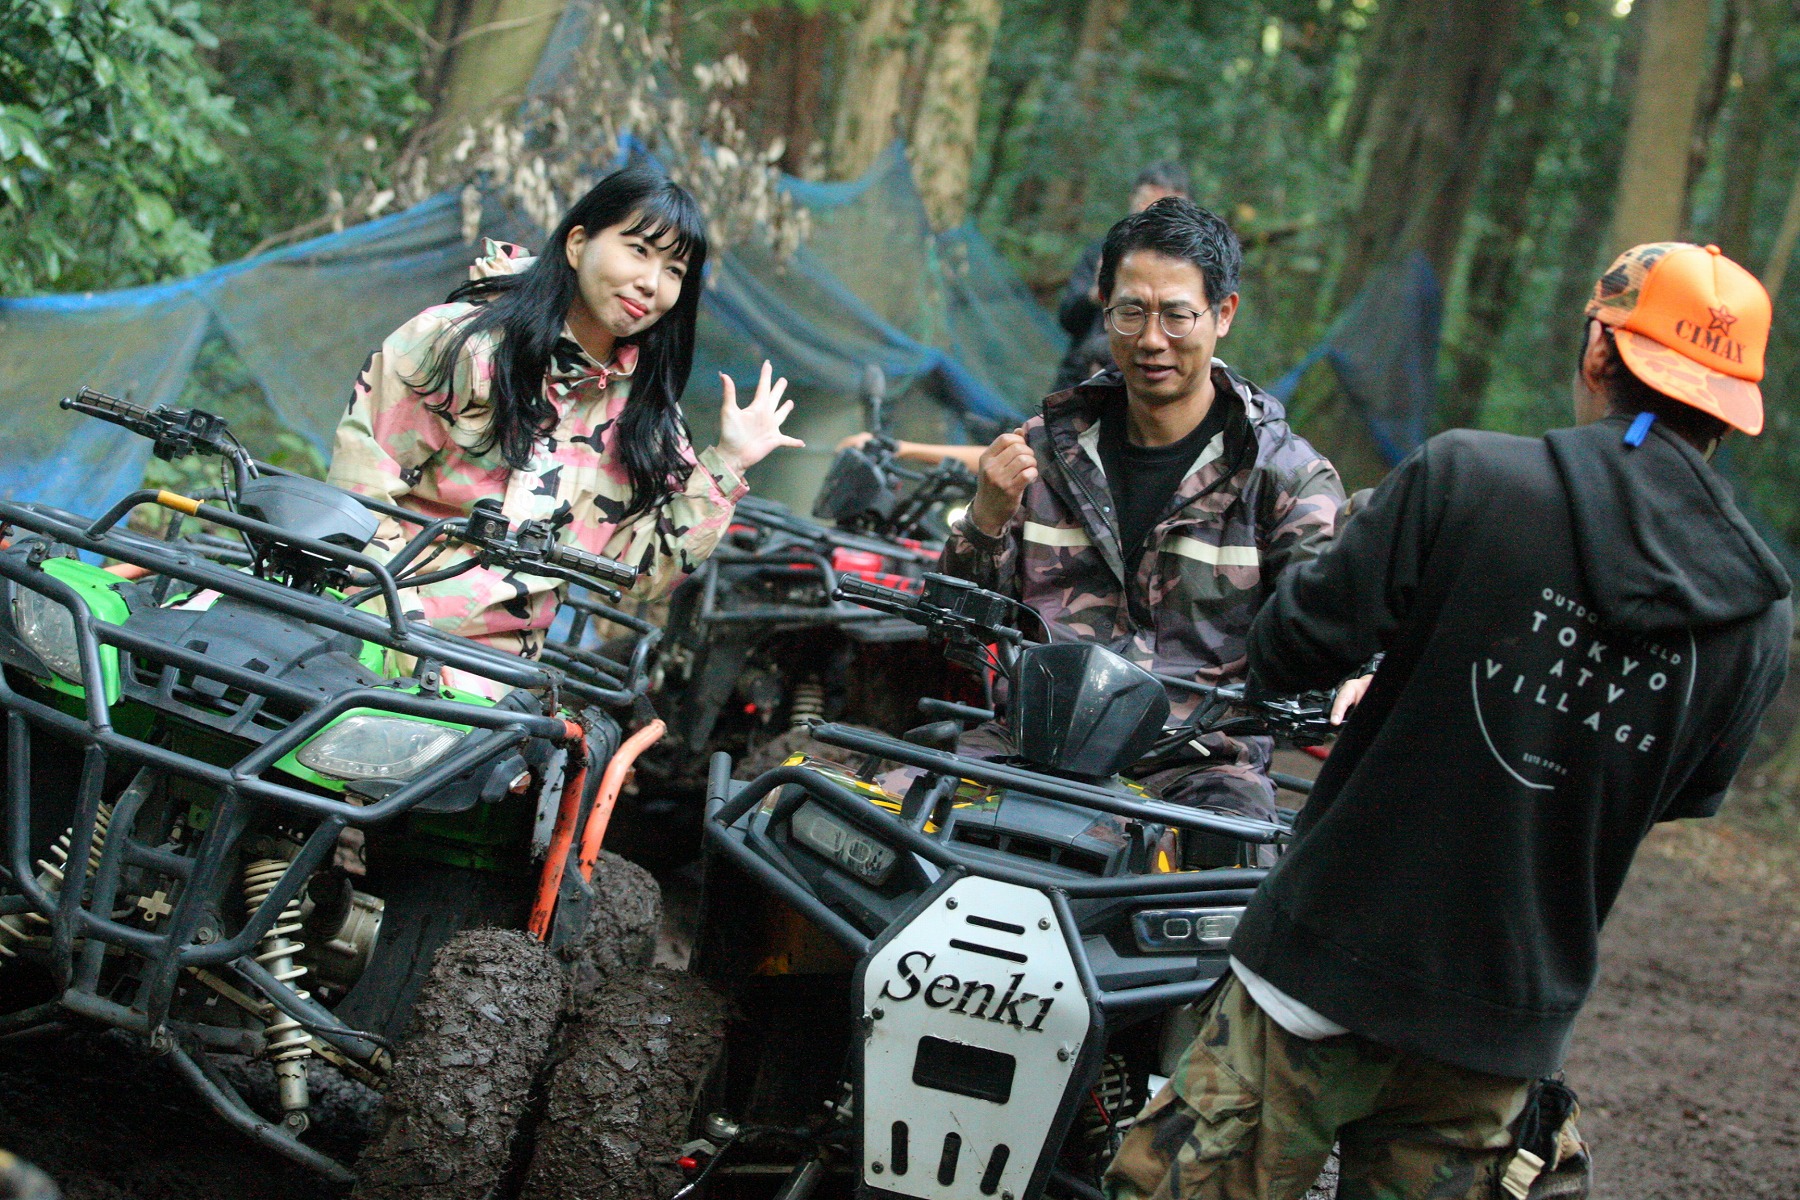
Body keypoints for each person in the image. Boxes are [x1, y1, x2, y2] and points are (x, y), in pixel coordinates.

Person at [1107, 242, 1792, 1200]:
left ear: (1601, 349)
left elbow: (1292, 649)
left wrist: (1373, 557)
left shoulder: (1468, 480)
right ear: (1735, 401)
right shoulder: (1757, 615)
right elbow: (1674, 792)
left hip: (1321, 972)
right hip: (1500, 1025)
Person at [943, 198, 1346, 834]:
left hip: (1199, 772)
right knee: (868, 830)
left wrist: (1356, 670)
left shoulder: (1285, 479)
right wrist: (984, 519)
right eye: (1131, 312)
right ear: (1105, 309)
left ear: (1224, 314)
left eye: (1177, 315)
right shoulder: (1042, 452)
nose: (1152, 340)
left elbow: (1332, 622)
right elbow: (955, 629)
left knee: (1228, 875)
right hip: (1026, 746)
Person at [329, 162, 802, 697]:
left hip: (495, 684)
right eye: (639, 250)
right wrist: (404, 635)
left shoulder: (646, 416)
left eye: (675, 270)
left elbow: (638, 574)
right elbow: (361, 494)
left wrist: (728, 465)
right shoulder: (464, 346)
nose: (651, 283)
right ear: (578, 244)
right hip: (370, 634)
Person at [1053, 163, 1191, 391]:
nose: (1152, 214)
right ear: (1132, 200)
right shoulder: (1101, 252)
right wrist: (1097, 293)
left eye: (1165, 206)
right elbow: (1067, 319)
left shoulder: (1189, 267)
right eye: (1146, 202)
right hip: (1079, 379)